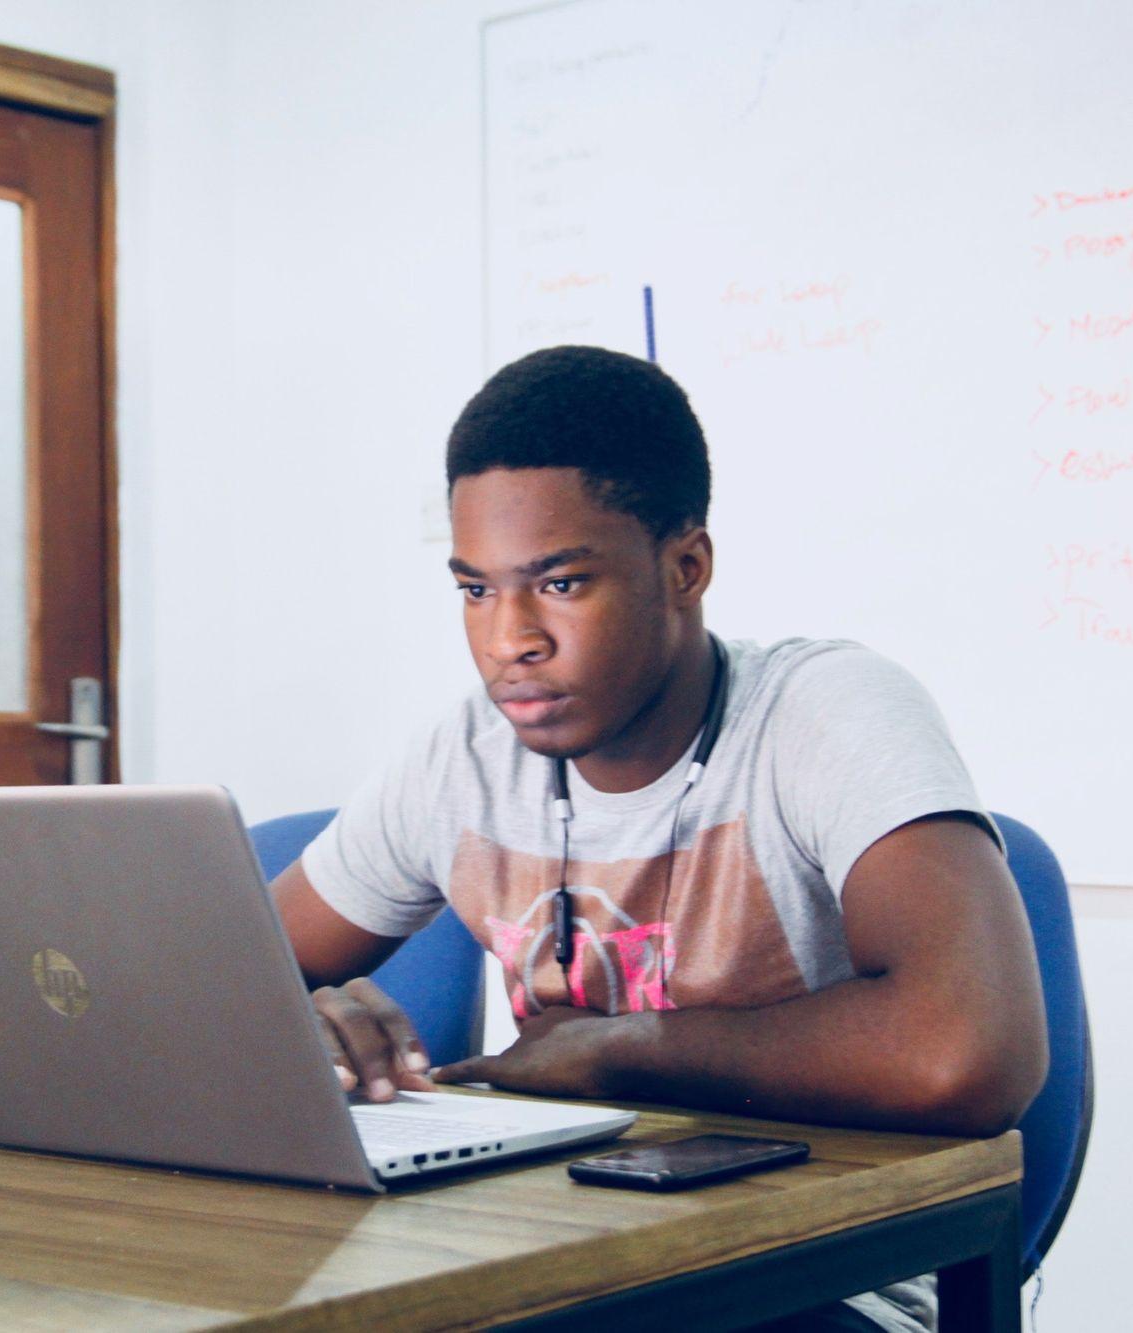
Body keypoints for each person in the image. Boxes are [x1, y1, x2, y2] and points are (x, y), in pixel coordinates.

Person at [269, 344, 1048, 1333]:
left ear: (684, 567)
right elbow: (219, 977)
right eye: (474, 590)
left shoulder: (825, 712)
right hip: (559, 1252)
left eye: (557, 584)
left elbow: (964, 1051)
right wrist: (297, 1026)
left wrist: (616, 1048)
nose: (509, 638)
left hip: (825, 1273)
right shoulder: (461, 753)